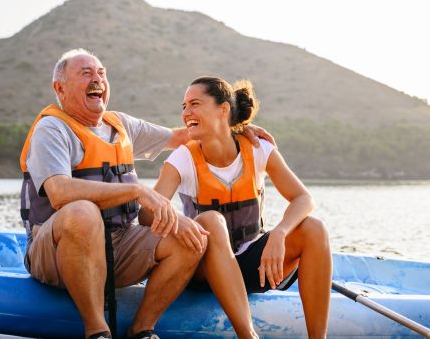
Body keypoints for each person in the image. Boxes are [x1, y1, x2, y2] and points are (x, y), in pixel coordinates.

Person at [19, 49, 273, 339]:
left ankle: (142, 328)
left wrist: (230, 127)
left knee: (191, 238)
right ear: (60, 88)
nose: (97, 79)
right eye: (85, 73)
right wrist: (137, 191)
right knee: (82, 211)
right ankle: (96, 330)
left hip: (118, 243)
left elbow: (183, 136)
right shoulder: (51, 129)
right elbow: (60, 193)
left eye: (101, 72)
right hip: (55, 251)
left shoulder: (121, 125)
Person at [146, 76, 332, 338]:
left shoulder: (257, 148)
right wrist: (179, 223)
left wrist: (279, 233)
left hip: (252, 268)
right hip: (201, 272)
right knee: (210, 220)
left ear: (223, 109)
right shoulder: (183, 158)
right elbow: (147, 213)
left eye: (194, 104)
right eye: (184, 106)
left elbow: (304, 199)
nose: (186, 112)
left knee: (314, 228)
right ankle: (248, 335)